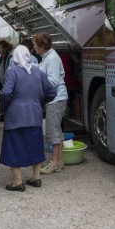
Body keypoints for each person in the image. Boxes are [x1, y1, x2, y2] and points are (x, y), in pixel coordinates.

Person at [0, 45, 56, 191]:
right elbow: (52, 92)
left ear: (15, 56)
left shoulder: (12, 71)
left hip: (15, 116)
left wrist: (3, 108)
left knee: (13, 147)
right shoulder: (39, 72)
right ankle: (36, 178)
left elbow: (6, 93)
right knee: (35, 146)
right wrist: (39, 102)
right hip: (34, 114)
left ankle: (18, 182)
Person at [33, 33, 68, 174]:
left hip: (56, 98)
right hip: (55, 98)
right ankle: (58, 161)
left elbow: (52, 81)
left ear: (42, 46)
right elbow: (42, 70)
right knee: (55, 130)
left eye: (35, 45)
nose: (34, 48)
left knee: (52, 130)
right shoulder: (47, 56)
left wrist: (37, 89)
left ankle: (55, 163)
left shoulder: (52, 58)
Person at [0, 39, 13, 122]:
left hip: (8, 83)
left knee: (9, 100)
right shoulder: (1, 58)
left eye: (0, 48)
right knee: (1, 99)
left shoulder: (10, 57)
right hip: (1, 83)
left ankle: (9, 116)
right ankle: (2, 115)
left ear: (5, 48)